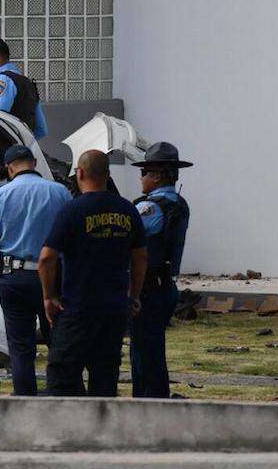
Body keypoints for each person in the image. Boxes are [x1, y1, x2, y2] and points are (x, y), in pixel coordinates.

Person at [39, 150, 148, 397]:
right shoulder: (128, 210)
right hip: (113, 309)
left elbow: (46, 258)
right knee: (105, 377)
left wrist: (49, 296)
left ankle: (69, 431)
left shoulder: (72, 211)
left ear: (80, 172)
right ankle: (101, 430)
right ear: (108, 175)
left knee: (62, 376)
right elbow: (141, 256)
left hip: (77, 308)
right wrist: (134, 295)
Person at [0, 145, 71, 396]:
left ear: (9, 168)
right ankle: (61, 394)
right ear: (35, 162)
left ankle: (24, 400)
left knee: (20, 346)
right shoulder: (60, 192)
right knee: (58, 342)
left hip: (14, 277)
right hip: (53, 277)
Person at [129, 142, 193, 398]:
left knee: (144, 354)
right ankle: (155, 399)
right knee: (152, 349)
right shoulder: (178, 203)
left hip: (147, 290)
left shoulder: (149, 208)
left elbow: (128, 238)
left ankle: (148, 403)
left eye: (144, 173)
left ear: (156, 176)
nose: (141, 179)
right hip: (165, 286)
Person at [0, 37, 48, 139]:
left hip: (4, 151)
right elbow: (41, 130)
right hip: (22, 151)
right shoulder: (26, 82)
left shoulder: (2, 81)